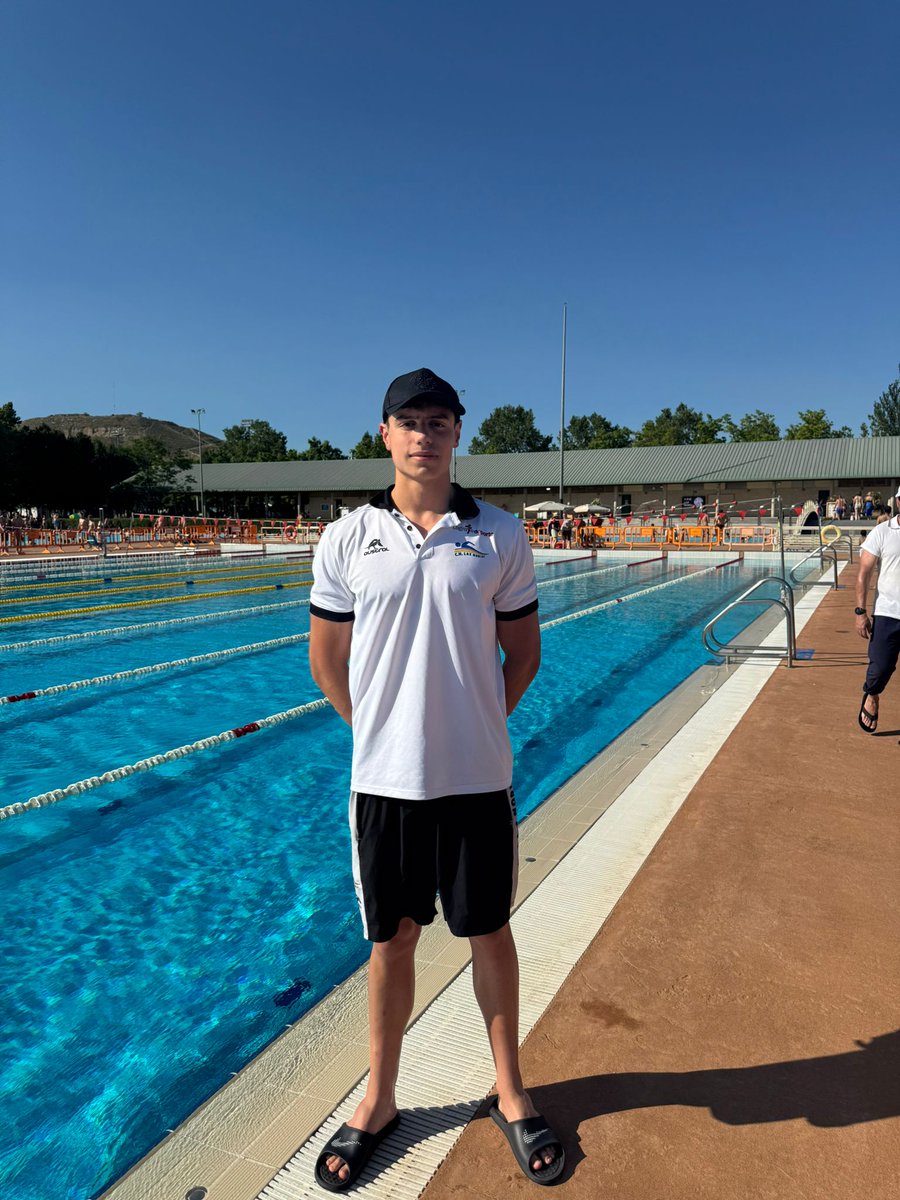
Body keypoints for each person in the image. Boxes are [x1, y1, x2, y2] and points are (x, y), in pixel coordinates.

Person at [308, 368, 564, 1190]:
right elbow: (326, 659)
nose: (425, 434)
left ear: (459, 434)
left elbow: (521, 656)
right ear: (384, 434)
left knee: (488, 931)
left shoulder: (499, 535)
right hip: (385, 787)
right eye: (409, 421)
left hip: (478, 782)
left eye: (440, 421)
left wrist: (477, 721)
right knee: (392, 942)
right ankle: (379, 1099)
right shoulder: (347, 538)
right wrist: (377, 732)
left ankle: (511, 1090)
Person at [856, 486, 900, 733]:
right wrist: (860, 612)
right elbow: (864, 573)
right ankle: (872, 695)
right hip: (888, 612)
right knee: (880, 668)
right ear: (898, 501)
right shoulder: (882, 532)